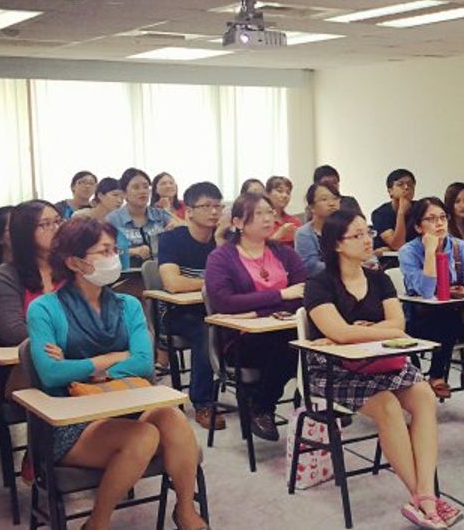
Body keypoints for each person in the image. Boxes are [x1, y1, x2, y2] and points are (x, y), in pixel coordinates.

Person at [27, 216, 207, 530]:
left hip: (125, 406)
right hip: (71, 422)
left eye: (114, 249)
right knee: (145, 435)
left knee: (172, 418)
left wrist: (80, 369)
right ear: (74, 262)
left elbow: (142, 364)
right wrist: (111, 357)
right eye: (105, 251)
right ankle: (97, 523)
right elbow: (51, 375)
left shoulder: (127, 305)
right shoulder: (44, 309)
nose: (115, 258)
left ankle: (185, 510)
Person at [304, 208, 463, 529]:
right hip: (337, 370)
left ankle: (426, 494)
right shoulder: (319, 284)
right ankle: (421, 498)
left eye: (368, 233)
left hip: (381, 361)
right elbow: (340, 333)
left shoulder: (378, 278)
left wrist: (367, 331)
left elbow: (397, 323)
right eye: (357, 235)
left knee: (424, 398)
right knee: (388, 406)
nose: (367, 240)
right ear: (336, 244)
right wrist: (378, 331)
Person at [204, 193, 304, 441]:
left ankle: (266, 404)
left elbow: (305, 292)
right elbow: (224, 302)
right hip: (240, 339)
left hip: (283, 328)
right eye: (258, 214)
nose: (268, 219)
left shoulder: (285, 254)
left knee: (301, 341)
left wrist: (257, 311)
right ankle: (262, 407)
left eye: (269, 212)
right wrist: (280, 294)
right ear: (238, 222)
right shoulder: (221, 258)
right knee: (288, 343)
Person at [397, 197, 464, 399]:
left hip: (457, 310)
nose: (439, 223)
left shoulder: (459, 247)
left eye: (442, 217)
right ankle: (436, 376)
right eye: (431, 219)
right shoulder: (408, 252)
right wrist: (431, 252)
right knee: (446, 319)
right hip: (421, 318)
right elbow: (425, 291)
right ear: (417, 226)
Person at [156, 182, 225, 431]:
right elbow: (172, 283)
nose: (214, 212)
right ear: (189, 211)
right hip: (179, 314)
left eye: (218, 206)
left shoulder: (223, 240)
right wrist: (215, 282)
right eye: (206, 206)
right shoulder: (172, 240)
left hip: (216, 309)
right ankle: (203, 402)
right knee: (207, 332)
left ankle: (255, 397)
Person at [0, 200, 62, 348]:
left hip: (79, 353)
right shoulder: (4, 277)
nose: (56, 229)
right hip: (32, 359)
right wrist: (72, 336)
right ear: (24, 231)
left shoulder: (71, 267)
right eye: (45, 224)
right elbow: (14, 333)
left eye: (58, 221)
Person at [107, 168, 176, 268]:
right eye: (136, 187)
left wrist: (175, 225)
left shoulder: (160, 215)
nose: (142, 191)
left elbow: (183, 228)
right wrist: (132, 251)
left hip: (161, 272)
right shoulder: (113, 220)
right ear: (124, 193)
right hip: (126, 276)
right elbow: (105, 250)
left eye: (145, 187)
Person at [294, 182, 342, 277]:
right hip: (320, 284)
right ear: (312, 207)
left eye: (335, 199)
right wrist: (344, 268)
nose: (332, 203)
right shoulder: (304, 233)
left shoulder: (348, 228)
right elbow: (311, 267)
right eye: (324, 199)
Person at [372, 169, 418, 252]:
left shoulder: (421, 208)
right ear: (390, 191)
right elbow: (398, 245)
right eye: (400, 184)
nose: (406, 187)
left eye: (410, 184)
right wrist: (401, 213)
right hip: (389, 262)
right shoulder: (380, 214)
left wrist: (390, 249)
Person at [265, 176, 301, 245]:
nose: (285, 195)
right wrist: (280, 234)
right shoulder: (261, 221)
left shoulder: (294, 221)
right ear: (267, 194)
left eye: (288, 192)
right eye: (280, 191)